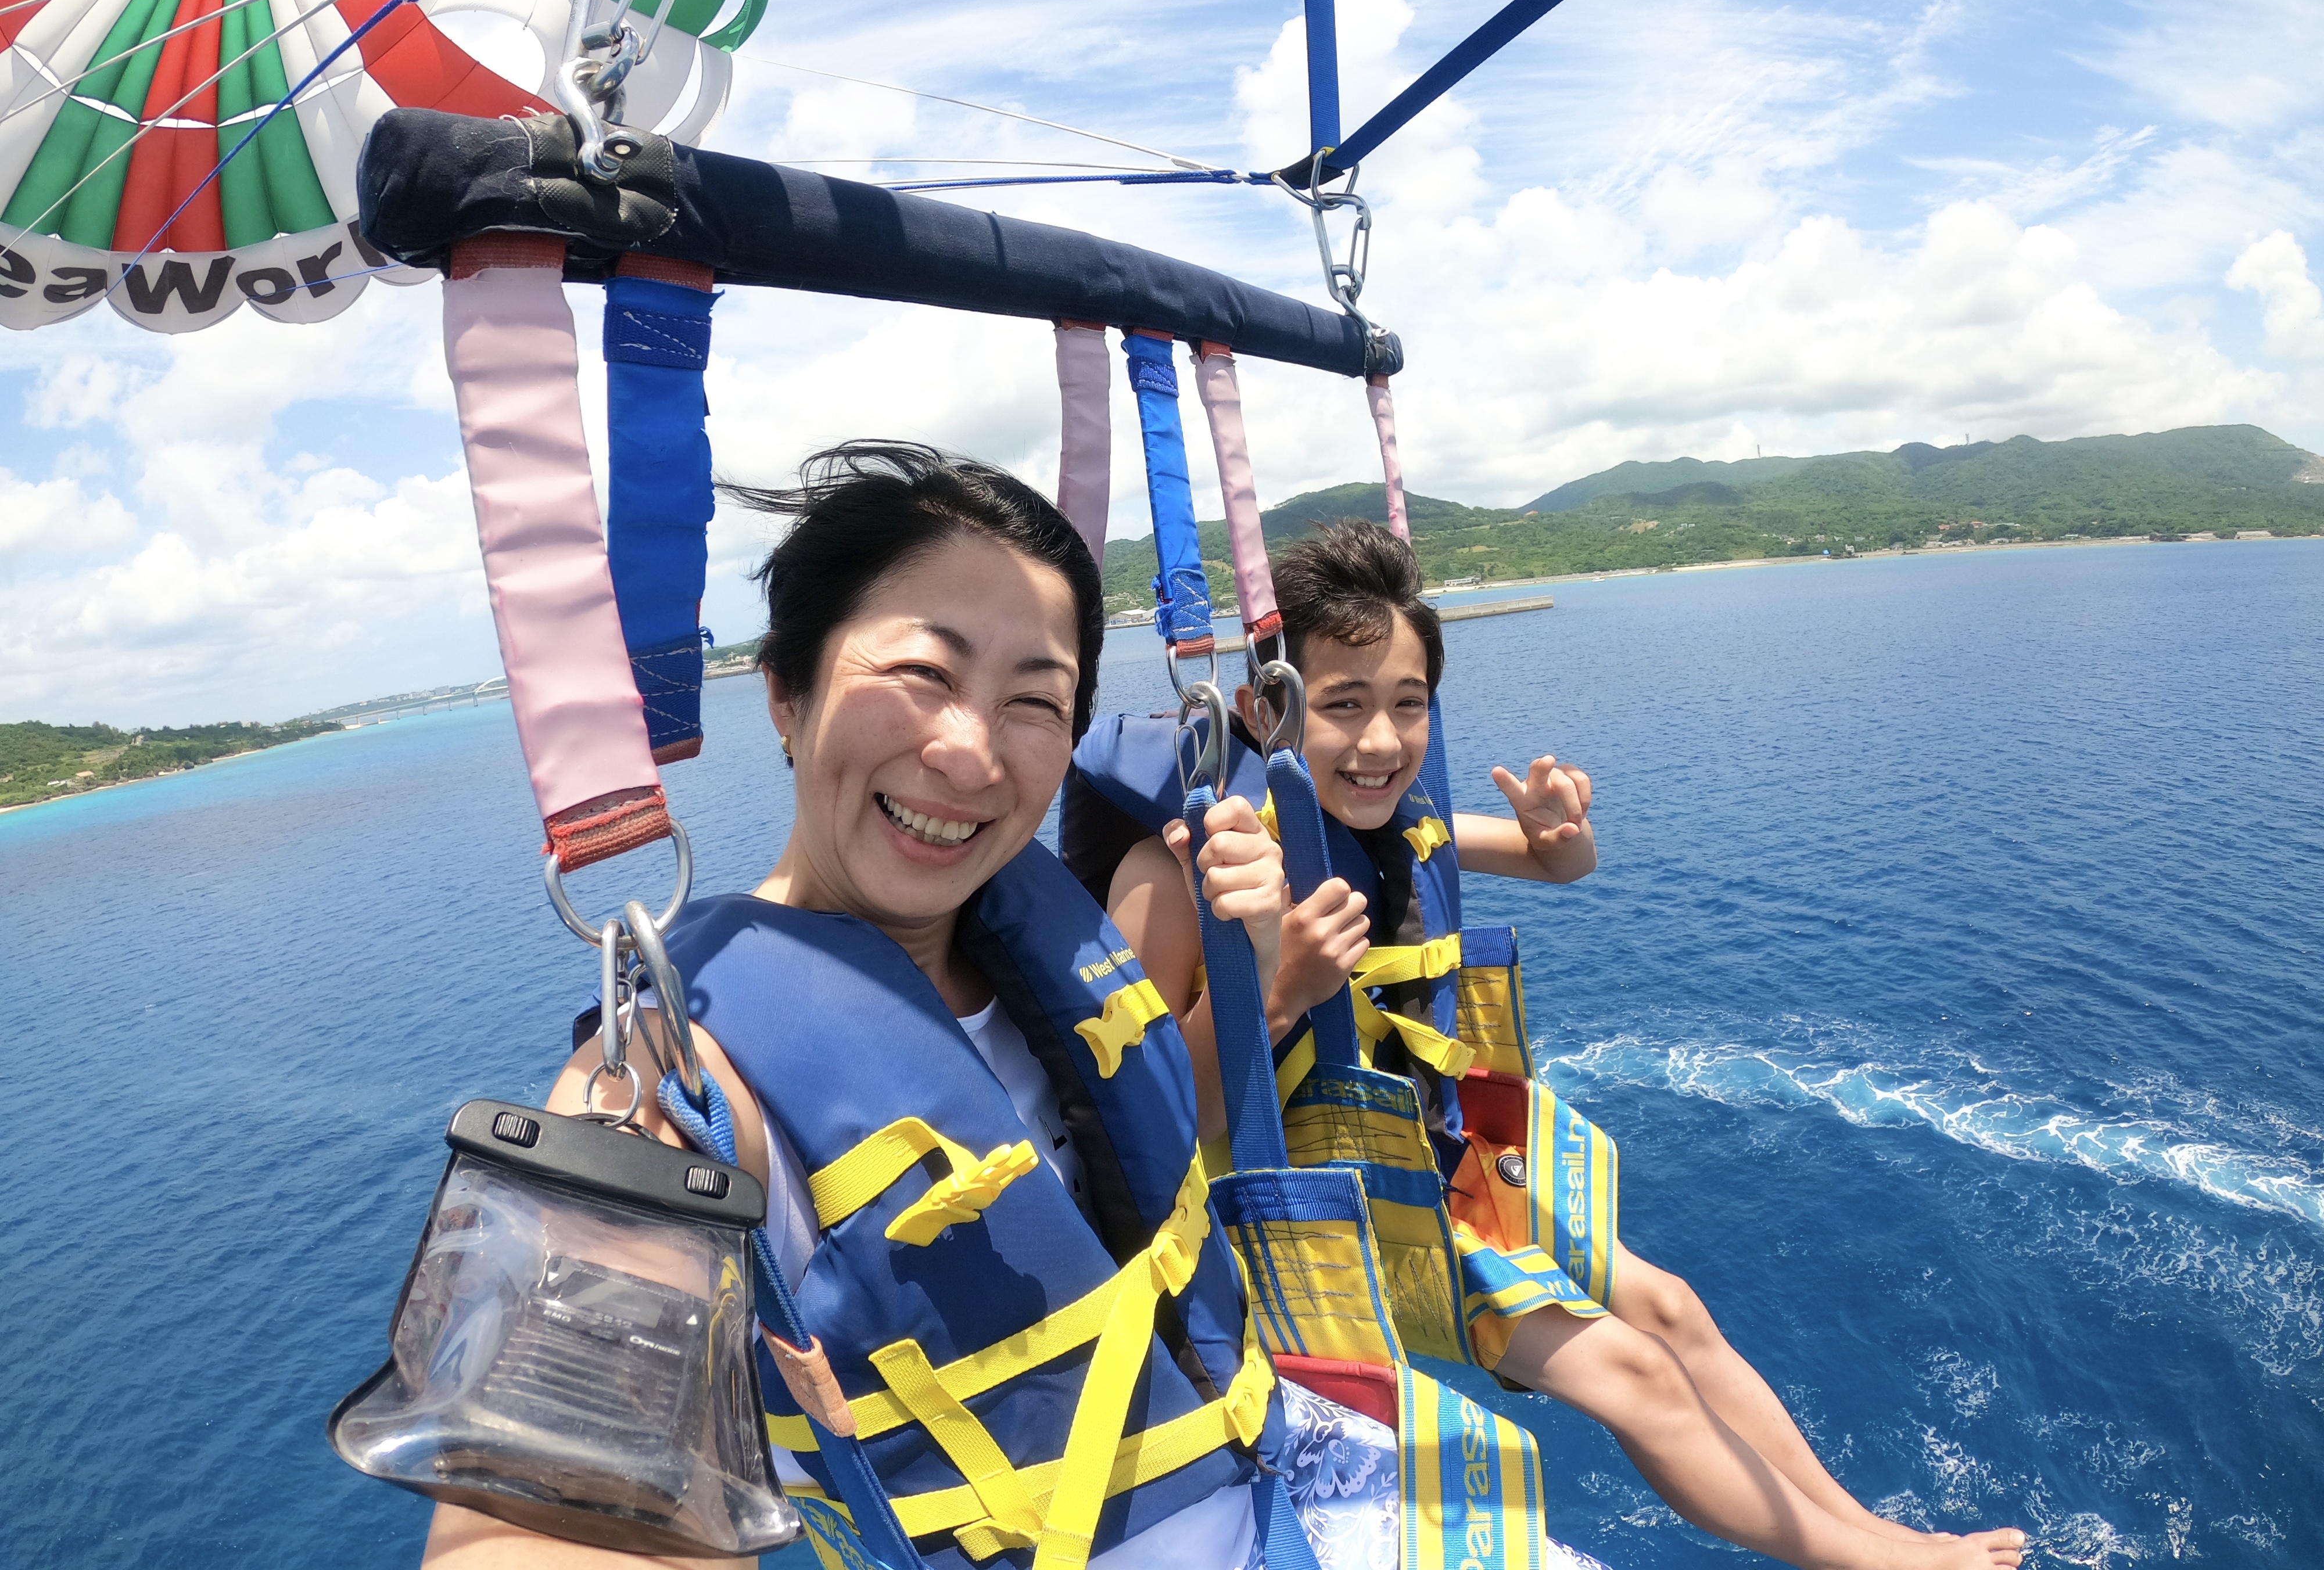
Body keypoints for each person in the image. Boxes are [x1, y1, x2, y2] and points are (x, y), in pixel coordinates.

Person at [420, 450, 1607, 1570]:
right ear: (785, 693)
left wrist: (1264, 985)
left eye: (1033, 702)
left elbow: (1160, 1160)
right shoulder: (673, 1077)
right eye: (922, 674)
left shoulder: (1046, 960)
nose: (969, 752)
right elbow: (513, 1525)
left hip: (1283, 1476)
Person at [1073, 517, 2025, 1570]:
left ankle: (1869, 1531)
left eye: (1408, 705)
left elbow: (1559, 866)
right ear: (1264, 709)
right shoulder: (1181, 874)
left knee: (1674, 1307)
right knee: (1637, 1375)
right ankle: (1872, 1563)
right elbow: (1145, 1127)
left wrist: (1565, 827)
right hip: (1328, 1217)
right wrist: (1280, 989)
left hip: (1433, 1162)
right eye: (1342, 707)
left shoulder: (1393, 824)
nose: (1382, 741)